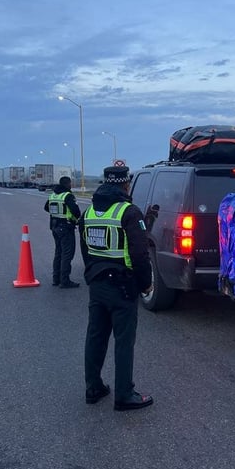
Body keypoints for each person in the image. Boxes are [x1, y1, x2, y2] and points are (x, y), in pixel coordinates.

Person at [79, 165, 154, 411]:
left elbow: (85, 250)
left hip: (97, 283)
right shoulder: (129, 212)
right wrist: (145, 284)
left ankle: (93, 387)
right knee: (123, 341)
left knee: (96, 336)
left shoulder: (89, 212)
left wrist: (91, 274)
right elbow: (140, 254)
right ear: (126, 184)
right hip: (123, 286)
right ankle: (124, 394)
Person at [45, 176, 82, 288]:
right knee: (67, 254)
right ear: (67, 184)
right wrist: (74, 219)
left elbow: (46, 207)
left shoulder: (53, 195)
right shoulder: (67, 195)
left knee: (58, 252)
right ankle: (65, 280)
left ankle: (56, 279)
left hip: (54, 226)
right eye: (70, 183)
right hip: (65, 227)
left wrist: (57, 213)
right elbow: (76, 211)